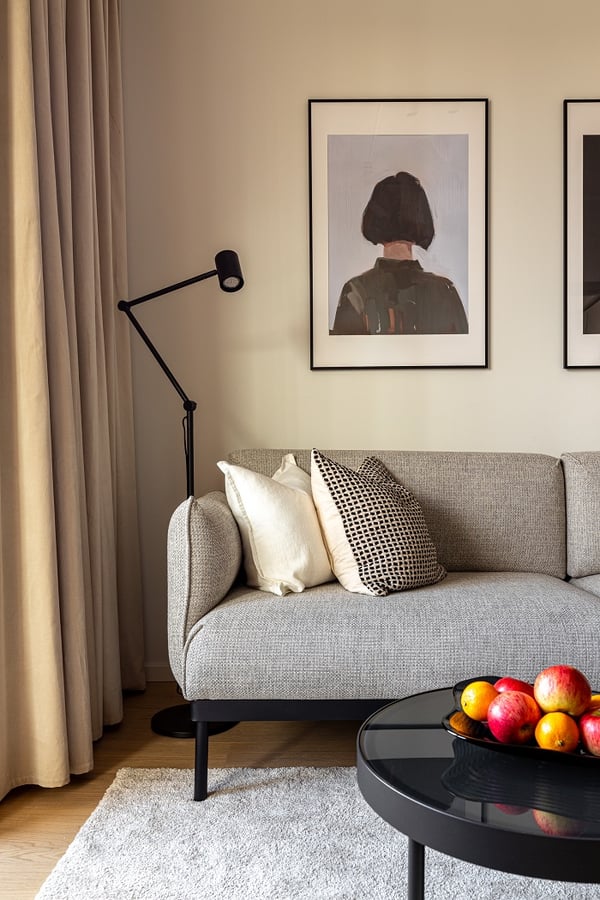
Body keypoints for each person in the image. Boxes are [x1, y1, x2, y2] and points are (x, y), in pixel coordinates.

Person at [331, 171, 468, 335]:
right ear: (422, 217)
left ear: (374, 218)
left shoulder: (355, 292)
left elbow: (343, 355)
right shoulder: (446, 292)